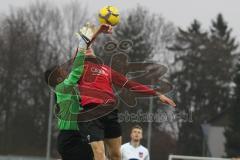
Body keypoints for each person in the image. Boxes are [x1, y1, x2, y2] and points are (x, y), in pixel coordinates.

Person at [75, 24, 176, 160]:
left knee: (116, 155)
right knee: (99, 155)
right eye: (87, 48)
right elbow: (84, 44)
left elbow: (130, 84)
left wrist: (156, 93)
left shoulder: (106, 70)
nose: (89, 49)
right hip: (91, 114)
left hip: (109, 113)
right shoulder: (79, 65)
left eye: (91, 48)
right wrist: (99, 30)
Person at [44, 23, 111, 160]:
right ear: (56, 78)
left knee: (99, 155)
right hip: (69, 139)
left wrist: (96, 34)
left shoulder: (68, 87)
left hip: (76, 136)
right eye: (61, 70)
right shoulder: (62, 88)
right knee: (98, 155)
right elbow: (77, 69)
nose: (64, 70)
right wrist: (83, 41)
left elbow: (79, 58)